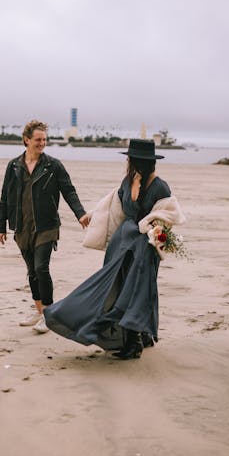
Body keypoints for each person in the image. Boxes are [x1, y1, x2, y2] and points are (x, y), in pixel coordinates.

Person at [43, 138, 185, 359]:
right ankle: (141, 336)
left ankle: (134, 342)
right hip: (122, 243)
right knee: (115, 287)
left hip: (144, 247)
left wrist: (153, 228)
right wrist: (92, 214)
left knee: (137, 290)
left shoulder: (159, 186)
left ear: (140, 161)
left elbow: (167, 215)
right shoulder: (127, 182)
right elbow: (111, 205)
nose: (128, 162)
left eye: (131, 159)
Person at [0, 119, 90, 334]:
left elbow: (69, 191)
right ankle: (39, 310)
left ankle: (48, 315)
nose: (42, 143)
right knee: (31, 271)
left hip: (47, 226)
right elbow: (4, 197)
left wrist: (80, 214)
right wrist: (1, 226)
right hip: (22, 226)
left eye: (44, 140)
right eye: (38, 140)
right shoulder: (13, 166)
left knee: (41, 268)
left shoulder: (52, 165)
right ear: (26, 140)